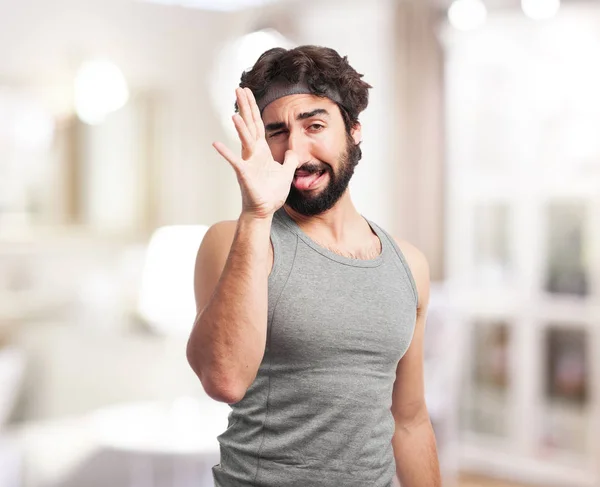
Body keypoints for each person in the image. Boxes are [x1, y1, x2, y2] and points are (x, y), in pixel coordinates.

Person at [186, 45, 441, 487]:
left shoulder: (409, 265)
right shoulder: (233, 239)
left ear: (354, 131)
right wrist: (256, 213)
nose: (295, 152)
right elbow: (223, 378)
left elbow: (411, 420)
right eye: (277, 133)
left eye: (315, 125)